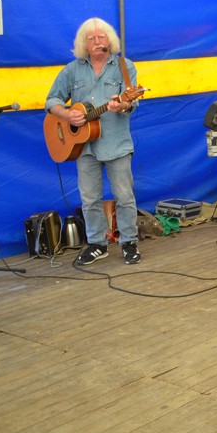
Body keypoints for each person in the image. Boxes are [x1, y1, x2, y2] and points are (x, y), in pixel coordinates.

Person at [45, 17, 142, 265]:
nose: (98, 41)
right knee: (89, 199)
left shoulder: (124, 66)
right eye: (92, 38)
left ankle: (129, 242)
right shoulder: (72, 70)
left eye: (102, 37)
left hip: (116, 144)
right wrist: (67, 115)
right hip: (84, 147)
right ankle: (97, 243)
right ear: (84, 44)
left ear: (110, 40)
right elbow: (52, 101)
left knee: (124, 196)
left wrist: (122, 105)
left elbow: (132, 103)